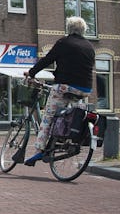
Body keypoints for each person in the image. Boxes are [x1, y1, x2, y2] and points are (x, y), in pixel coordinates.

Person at [23, 16, 96, 165]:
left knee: (48, 117)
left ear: (68, 29)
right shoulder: (89, 46)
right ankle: (62, 140)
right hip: (85, 89)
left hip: (64, 86)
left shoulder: (64, 42)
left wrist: (31, 73)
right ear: (83, 31)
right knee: (69, 114)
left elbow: (47, 59)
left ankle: (39, 151)